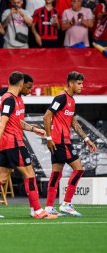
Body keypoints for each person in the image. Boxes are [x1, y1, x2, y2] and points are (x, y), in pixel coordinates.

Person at [0, 71, 57, 220]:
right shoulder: (9, 99)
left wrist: (34, 129)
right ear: (21, 84)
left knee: (0, 178)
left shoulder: (16, 99)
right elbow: (3, 121)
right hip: (13, 143)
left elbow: (17, 122)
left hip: (8, 143)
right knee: (30, 174)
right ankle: (37, 210)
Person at [43, 71, 97, 216]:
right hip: (60, 141)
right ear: (71, 83)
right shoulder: (61, 97)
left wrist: (86, 139)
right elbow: (47, 116)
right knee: (79, 169)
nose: (82, 86)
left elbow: (73, 122)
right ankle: (66, 204)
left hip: (60, 141)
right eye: (79, 84)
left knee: (56, 174)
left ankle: (48, 207)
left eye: (82, 83)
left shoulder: (72, 101)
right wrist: (48, 138)